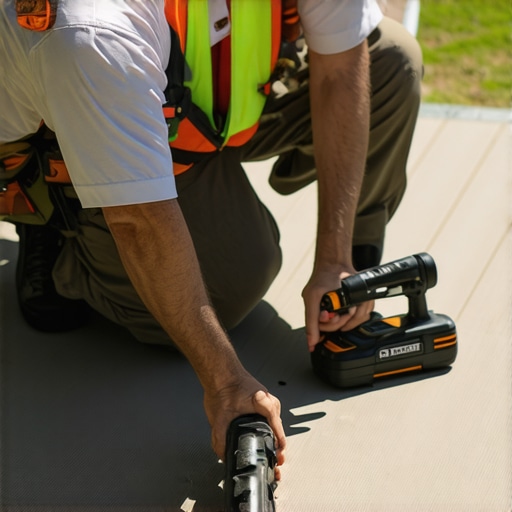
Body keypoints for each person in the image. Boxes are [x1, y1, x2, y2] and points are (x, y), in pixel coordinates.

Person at [0, 0, 423, 470]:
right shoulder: (94, 25)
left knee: (392, 59)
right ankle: (60, 231)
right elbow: (140, 220)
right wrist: (226, 384)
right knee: (227, 289)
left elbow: (342, 71)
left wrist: (336, 258)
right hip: (85, 122)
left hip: (203, 106)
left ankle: (351, 294)